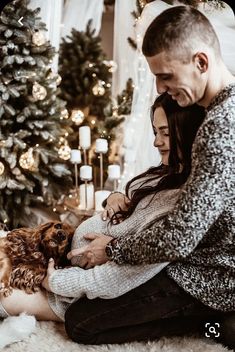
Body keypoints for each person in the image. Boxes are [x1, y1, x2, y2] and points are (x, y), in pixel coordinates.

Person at [64, 5, 235, 347]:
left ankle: (204, 324)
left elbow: (180, 238)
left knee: (80, 324)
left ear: (201, 62)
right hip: (199, 255)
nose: (159, 87)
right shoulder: (214, 112)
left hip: (210, 273)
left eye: (166, 76)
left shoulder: (220, 128)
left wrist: (112, 251)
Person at [0, 93, 205, 324]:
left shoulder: (185, 206)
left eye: (165, 133)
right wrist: (115, 197)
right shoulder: (162, 175)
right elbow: (129, 199)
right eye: (156, 132)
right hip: (60, 261)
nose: (156, 142)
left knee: (3, 294)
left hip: (73, 291)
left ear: (190, 132)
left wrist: (55, 281)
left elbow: (119, 276)